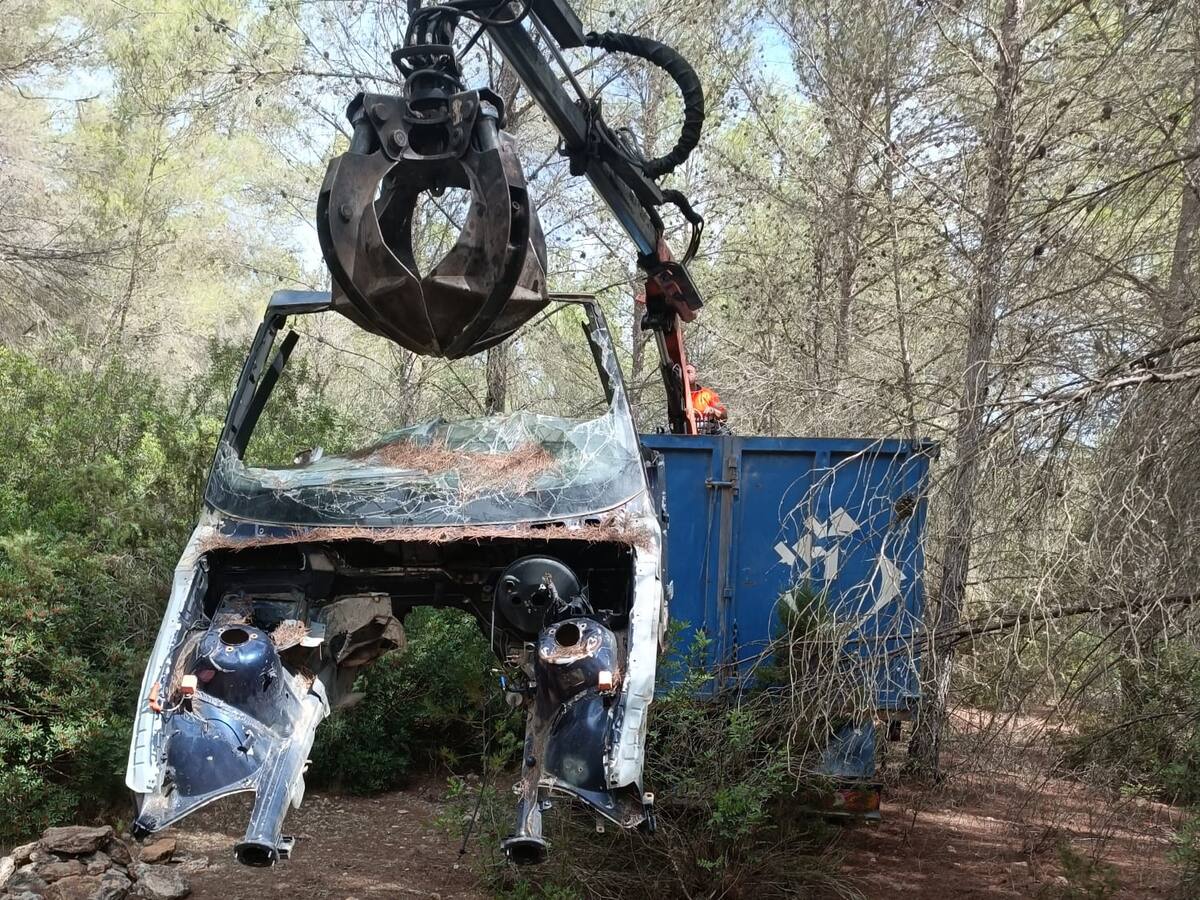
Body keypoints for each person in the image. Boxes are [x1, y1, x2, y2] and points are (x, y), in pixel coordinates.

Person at [685, 363, 727, 432]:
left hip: (707, 434)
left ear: (696, 376)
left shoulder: (707, 394)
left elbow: (724, 415)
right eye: (684, 373)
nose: (686, 375)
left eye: (689, 372)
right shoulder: (678, 396)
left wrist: (713, 411)